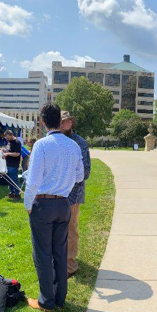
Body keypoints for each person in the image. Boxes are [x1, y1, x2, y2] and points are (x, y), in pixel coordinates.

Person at [22, 103, 84, 312]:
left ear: (43, 122)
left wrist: (28, 203)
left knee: (42, 253)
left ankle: (46, 301)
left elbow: (33, 179)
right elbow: (80, 176)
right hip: (63, 203)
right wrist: (63, 181)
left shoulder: (41, 145)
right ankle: (59, 297)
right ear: (60, 121)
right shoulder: (73, 146)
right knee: (60, 251)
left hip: (44, 202)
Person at [60, 112, 91, 278]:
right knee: (58, 230)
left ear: (71, 123)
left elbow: (86, 172)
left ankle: (70, 265)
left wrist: (64, 178)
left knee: (71, 229)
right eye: (60, 121)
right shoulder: (55, 141)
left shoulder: (80, 143)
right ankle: (59, 260)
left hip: (73, 194)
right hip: (56, 193)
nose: (63, 124)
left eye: (66, 121)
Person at [3, 130, 23, 200]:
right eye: (6, 138)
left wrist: (7, 154)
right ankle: (12, 192)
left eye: (8, 138)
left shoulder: (17, 142)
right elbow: (10, 150)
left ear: (11, 135)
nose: (7, 139)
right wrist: (5, 151)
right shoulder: (10, 142)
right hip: (8, 163)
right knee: (9, 179)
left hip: (14, 164)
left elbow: (17, 154)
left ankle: (17, 194)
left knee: (14, 179)